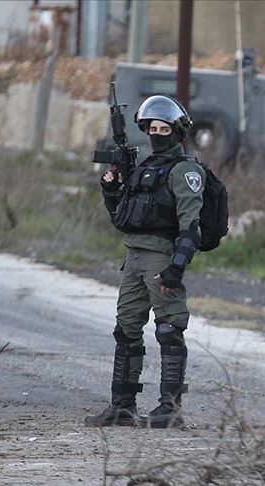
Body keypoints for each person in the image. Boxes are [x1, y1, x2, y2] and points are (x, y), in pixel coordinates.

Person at [85, 95, 204, 428]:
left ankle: (170, 408)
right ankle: (123, 405)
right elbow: (124, 219)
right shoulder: (144, 169)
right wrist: (111, 191)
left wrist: (176, 268)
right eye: (152, 128)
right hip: (134, 256)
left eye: (164, 129)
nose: (157, 134)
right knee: (125, 329)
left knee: (169, 329)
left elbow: (191, 226)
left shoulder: (185, 171)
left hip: (161, 257)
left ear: (177, 131)